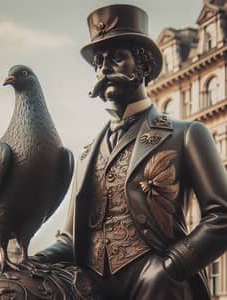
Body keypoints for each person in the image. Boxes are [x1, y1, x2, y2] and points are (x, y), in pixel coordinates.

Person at [35, 4, 227, 300]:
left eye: (117, 59)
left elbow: (221, 215)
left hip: (158, 286)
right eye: (98, 62)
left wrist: (172, 267)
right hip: (93, 290)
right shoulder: (87, 154)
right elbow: (70, 239)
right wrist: (30, 261)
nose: (104, 69)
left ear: (144, 67)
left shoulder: (187, 133)